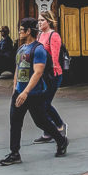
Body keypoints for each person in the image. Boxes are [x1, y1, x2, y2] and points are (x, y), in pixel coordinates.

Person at [0, 17, 67, 166]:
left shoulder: (39, 49)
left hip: (34, 94)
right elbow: (18, 67)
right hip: (19, 92)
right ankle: (14, 153)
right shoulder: (21, 48)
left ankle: (61, 140)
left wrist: (25, 92)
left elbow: (38, 72)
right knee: (15, 122)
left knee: (41, 121)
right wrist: (16, 87)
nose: (19, 32)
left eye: (21, 30)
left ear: (29, 31)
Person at [34, 10, 67, 143]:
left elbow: (54, 56)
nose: (40, 22)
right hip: (42, 73)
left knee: (45, 103)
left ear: (49, 21)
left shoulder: (54, 35)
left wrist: (52, 71)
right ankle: (48, 131)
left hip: (53, 74)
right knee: (42, 104)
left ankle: (59, 125)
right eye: (39, 20)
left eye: (42, 20)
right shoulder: (39, 35)